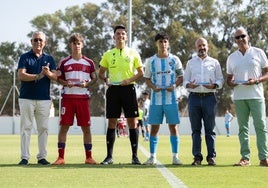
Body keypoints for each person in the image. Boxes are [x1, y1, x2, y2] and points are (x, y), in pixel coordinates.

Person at [98, 25, 144, 165]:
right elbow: (101, 73)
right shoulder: (108, 54)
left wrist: (128, 80)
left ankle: (135, 157)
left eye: (123, 34)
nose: (121, 36)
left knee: (132, 122)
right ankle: (109, 156)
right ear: (114, 37)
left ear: (126, 36)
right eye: (118, 34)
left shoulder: (133, 53)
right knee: (112, 122)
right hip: (113, 90)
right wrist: (106, 79)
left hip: (129, 89)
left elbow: (141, 73)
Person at [53, 33, 98, 165]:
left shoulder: (89, 62)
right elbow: (58, 78)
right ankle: (61, 157)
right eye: (74, 43)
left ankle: (89, 157)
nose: (76, 45)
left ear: (82, 45)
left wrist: (87, 83)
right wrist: (66, 83)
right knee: (64, 127)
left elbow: (94, 78)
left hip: (83, 98)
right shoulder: (64, 62)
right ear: (70, 45)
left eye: (78, 43)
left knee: (86, 128)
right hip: (68, 98)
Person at [226, 27, 268, 167]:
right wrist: (231, 83)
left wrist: (256, 80)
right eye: (237, 38)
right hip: (239, 97)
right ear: (234, 40)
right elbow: (229, 79)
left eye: (242, 36)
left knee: (260, 126)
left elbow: (267, 73)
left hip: (256, 96)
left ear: (248, 37)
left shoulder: (258, 52)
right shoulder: (231, 57)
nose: (240, 39)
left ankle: (264, 158)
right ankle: (245, 158)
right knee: (243, 128)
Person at [143, 32, 183, 165]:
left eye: (165, 41)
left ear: (168, 43)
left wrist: (174, 85)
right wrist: (153, 87)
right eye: (160, 41)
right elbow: (147, 79)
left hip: (171, 99)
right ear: (156, 44)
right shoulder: (151, 61)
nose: (163, 44)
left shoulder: (174, 60)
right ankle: (152, 157)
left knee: (173, 127)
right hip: (156, 100)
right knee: (154, 128)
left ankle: (175, 157)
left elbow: (181, 77)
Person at [17, 31, 57, 165]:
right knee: (26, 128)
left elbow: (56, 76)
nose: (38, 42)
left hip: (44, 99)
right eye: (35, 40)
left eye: (40, 40)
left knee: (43, 129)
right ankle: (24, 157)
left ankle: (42, 157)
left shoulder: (50, 59)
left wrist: (48, 73)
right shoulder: (24, 57)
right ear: (31, 42)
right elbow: (21, 75)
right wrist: (38, 76)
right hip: (26, 98)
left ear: (44, 43)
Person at [183, 37, 223, 166]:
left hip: (209, 98)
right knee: (195, 130)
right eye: (199, 46)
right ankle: (197, 158)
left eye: (204, 45)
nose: (202, 48)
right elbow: (184, 81)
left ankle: (211, 157)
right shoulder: (190, 63)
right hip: (194, 97)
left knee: (210, 130)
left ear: (208, 46)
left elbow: (220, 80)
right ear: (196, 48)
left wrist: (215, 85)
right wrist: (189, 85)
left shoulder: (215, 62)